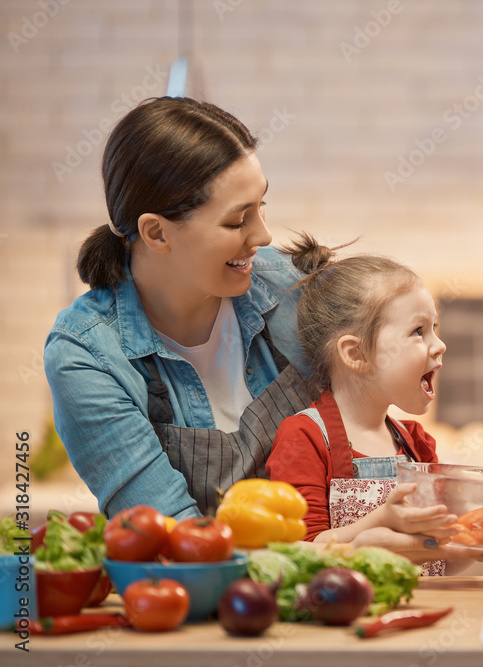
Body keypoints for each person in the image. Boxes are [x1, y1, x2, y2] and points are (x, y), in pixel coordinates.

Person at [44, 97, 317, 520]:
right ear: (156, 233)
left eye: (261, 206)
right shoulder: (86, 356)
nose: (263, 236)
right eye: (236, 221)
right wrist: (329, 549)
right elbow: (172, 537)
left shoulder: (292, 287)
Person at [266, 237, 483, 572]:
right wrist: (376, 523)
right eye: (418, 331)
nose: (440, 345)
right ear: (356, 354)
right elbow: (299, 555)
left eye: (434, 328)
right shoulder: (304, 437)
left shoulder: (416, 443)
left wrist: (480, 542)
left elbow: (432, 560)